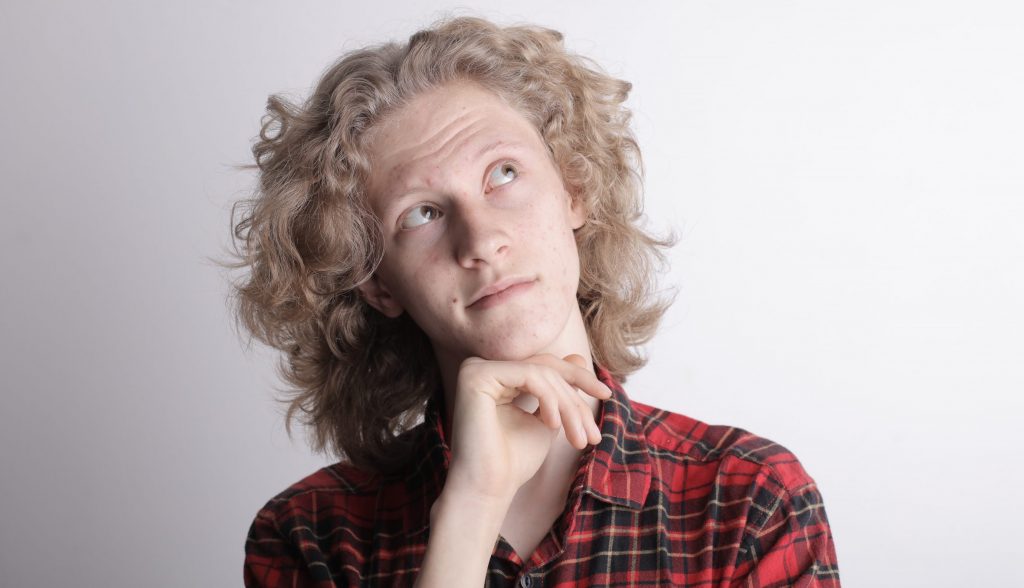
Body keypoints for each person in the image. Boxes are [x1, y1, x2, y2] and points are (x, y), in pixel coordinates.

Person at [232, 16, 840, 587]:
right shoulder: (308, 538)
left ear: (573, 189)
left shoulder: (749, 504)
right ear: (376, 282)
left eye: (503, 174)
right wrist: (471, 505)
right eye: (422, 213)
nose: (481, 241)